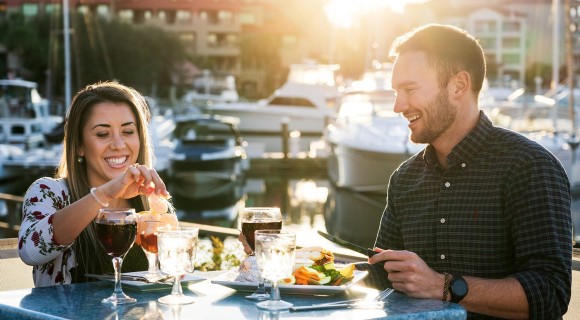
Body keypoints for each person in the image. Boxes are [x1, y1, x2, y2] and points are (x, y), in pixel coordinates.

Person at [359, 24, 572, 319]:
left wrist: (442, 286)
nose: (398, 106)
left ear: (458, 85)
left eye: (409, 89)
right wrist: (305, 269)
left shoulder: (529, 167)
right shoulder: (405, 179)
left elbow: (551, 293)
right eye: (397, 91)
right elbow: (382, 276)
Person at [18, 81, 172, 287]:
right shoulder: (49, 192)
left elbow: (172, 276)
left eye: (128, 132)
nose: (118, 144)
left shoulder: (151, 204)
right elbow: (30, 252)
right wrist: (105, 194)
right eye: (102, 134)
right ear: (80, 146)